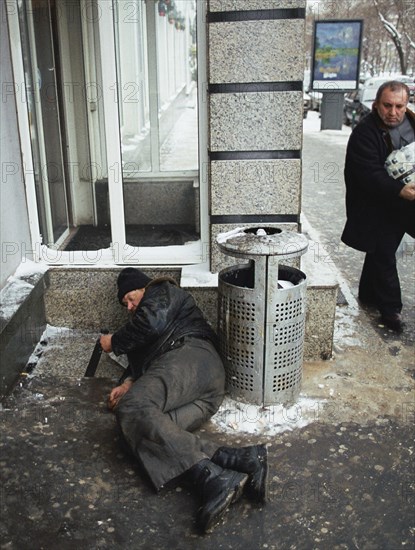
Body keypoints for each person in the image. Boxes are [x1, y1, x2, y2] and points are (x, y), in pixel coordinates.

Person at [100, 267, 268, 533]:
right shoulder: (147, 317)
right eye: (125, 305)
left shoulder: (161, 291)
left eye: (130, 299)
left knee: (133, 407)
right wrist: (127, 383)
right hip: (202, 394)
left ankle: (215, 479)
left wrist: (114, 341)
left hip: (192, 357)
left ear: (143, 287)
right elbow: (147, 355)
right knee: (139, 429)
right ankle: (241, 460)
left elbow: (152, 323)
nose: (129, 307)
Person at [341, 80, 415, 332]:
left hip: (408, 203)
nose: (393, 112)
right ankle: (391, 309)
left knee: (379, 252)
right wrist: (399, 190)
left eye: (399, 106)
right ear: (376, 104)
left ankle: (368, 293)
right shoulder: (364, 132)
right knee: (383, 253)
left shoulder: (412, 122)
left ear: (406, 105)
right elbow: (367, 173)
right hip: (378, 206)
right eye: (387, 105)